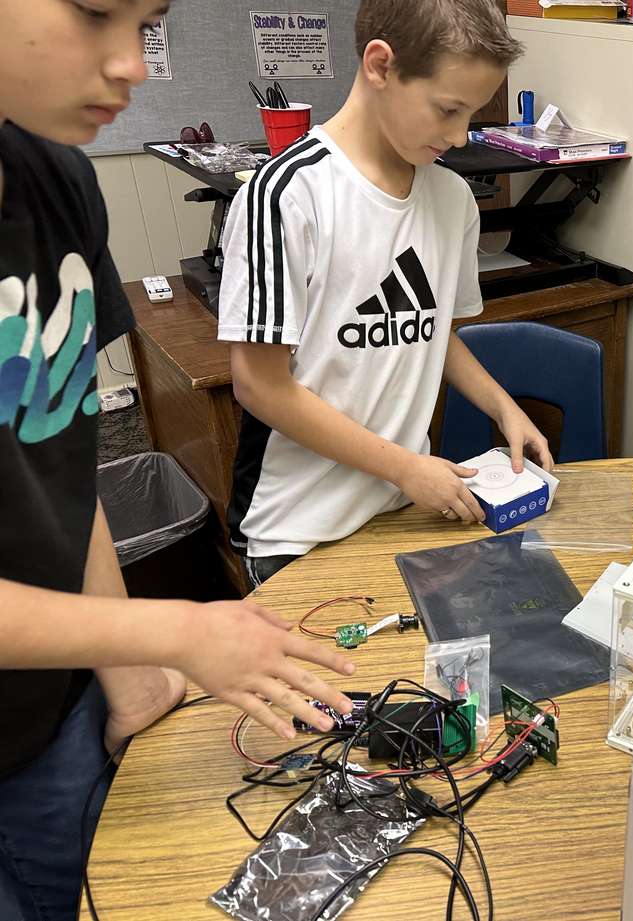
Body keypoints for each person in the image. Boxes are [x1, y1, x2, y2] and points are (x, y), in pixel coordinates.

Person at [0, 3, 354, 918]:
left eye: (147, 22)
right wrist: (177, 633)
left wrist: (124, 670)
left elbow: (60, 466)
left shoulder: (60, 182)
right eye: (93, 13)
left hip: (54, 710)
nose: (134, 65)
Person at [220, 0, 552, 588]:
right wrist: (405, 468)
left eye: (471, 116)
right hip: (297, 532)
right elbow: (259, 385)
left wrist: (505, 408)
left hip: (399, 512)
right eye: (448, 110)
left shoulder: (452, 201)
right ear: (380, 66)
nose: (457, 137)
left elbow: (430, 331)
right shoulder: (286, 197)